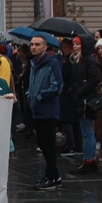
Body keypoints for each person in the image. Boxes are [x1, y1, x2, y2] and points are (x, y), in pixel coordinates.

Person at [28, 34, 63, 190]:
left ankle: (52, 176)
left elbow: (56, 86)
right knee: (42, 143)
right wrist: (30, 94)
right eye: (32, 44)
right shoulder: (34, 64)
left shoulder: (52, 63)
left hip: (47, 109)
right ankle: (52, 175)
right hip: (36, 109)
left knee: (48, 145)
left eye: (37, 44)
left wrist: (40, 96)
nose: (33, 47)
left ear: (45, 47)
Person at [69, 35, 102, 173]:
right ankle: (91, 159)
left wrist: (80, 92)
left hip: (85, 100)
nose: (74, 46)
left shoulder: (88, 60)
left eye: (77, 44)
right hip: (81, 99)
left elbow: (94, 79)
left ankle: (89, 160)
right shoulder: (79, 61)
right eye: (74, 44)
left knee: (87, 131)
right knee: (87, 131)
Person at [58, 39, 83, 157]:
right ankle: (76, 145)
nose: (64, 50)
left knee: (67, 119)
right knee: (73, 120)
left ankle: (71, 145)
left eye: (65, 47)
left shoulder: (71, 61)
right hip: (70, 91)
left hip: (68, 91)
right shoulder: (68, 59)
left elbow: (66, 74)